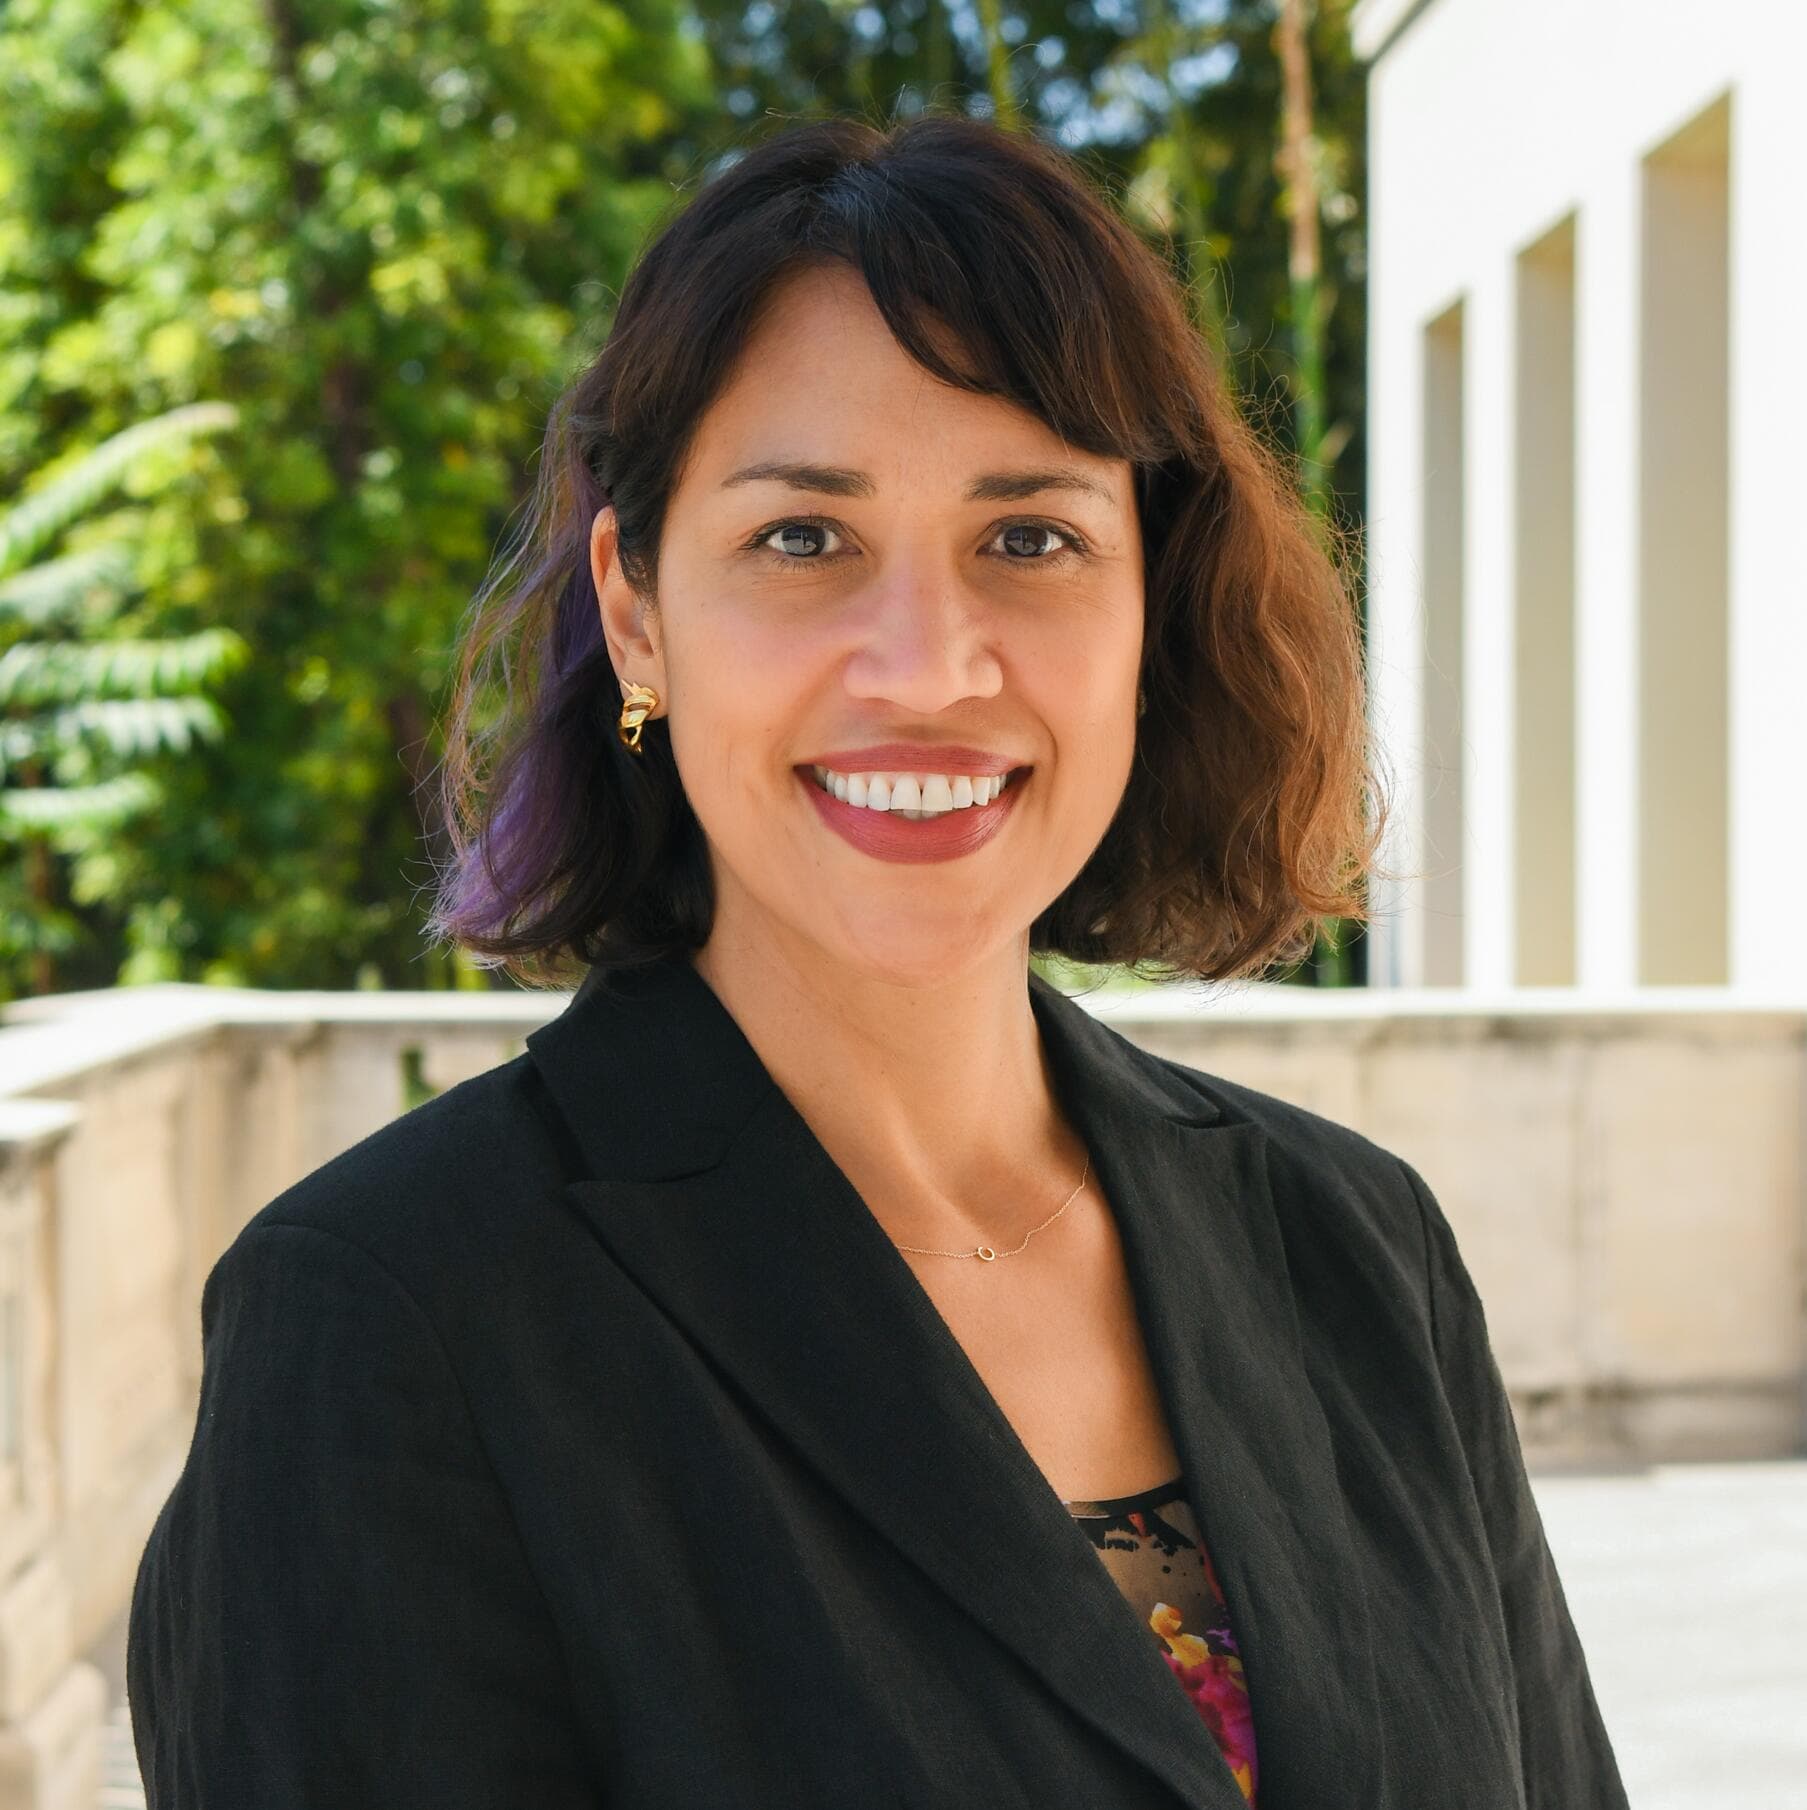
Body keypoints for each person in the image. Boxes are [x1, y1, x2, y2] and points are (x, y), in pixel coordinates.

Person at [126, 113, 1629, 1810]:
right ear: (637, 610)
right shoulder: (396, 1317)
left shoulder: (1363, 1250)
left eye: (1031, 536)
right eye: (803, 539)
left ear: (1151, 602)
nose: (927, 666)